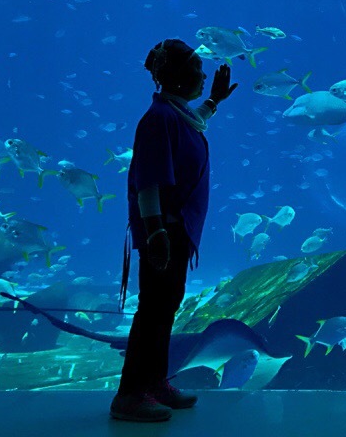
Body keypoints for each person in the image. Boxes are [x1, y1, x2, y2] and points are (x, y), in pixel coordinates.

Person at [110, 38, 236, 423]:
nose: (202, 75)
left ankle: (155, 381)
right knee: (152, 309)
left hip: (176, 228)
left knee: (166, 307)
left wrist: (213, 102)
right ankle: (130, 393)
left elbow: (193, 122)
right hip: (163, 230)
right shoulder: (157, 119)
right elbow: (149, 182)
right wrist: (156, 232)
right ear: (178, 77)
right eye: (196, 71)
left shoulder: (173, 113)